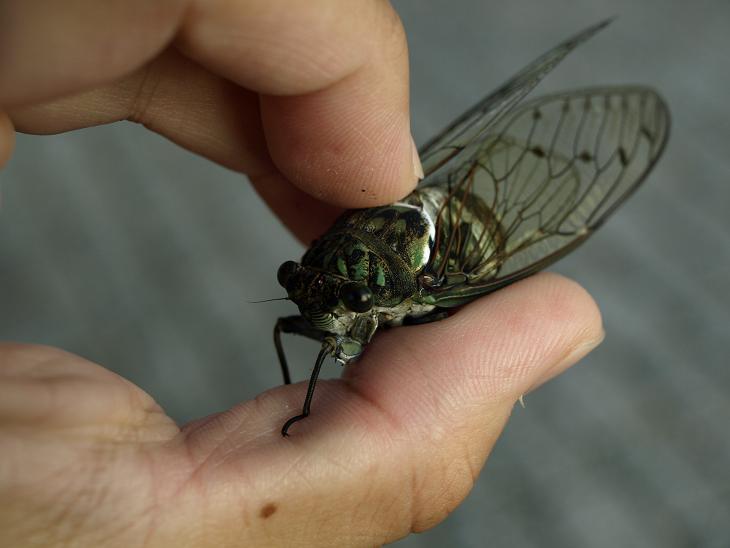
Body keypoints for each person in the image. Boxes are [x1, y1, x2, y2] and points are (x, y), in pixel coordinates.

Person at [0, 1, 604, 545]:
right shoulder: (327, 287)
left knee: (478, 303)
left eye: (353, 297)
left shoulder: (388, 292)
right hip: (398, 232)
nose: (312, 304)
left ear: (374, 297)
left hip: (465, 245)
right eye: (298, 279)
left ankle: (322, 385)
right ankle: (309, 393)